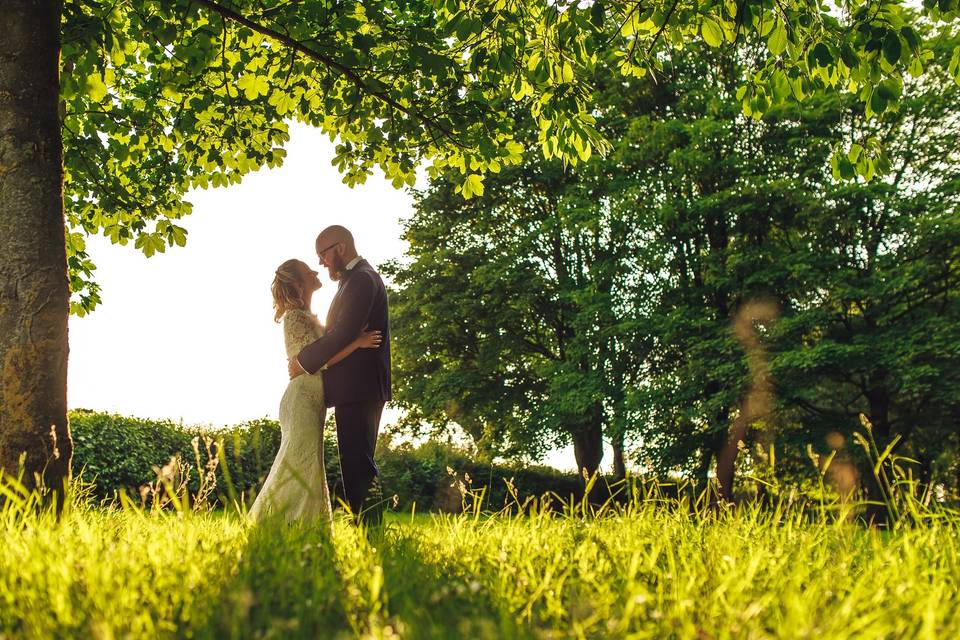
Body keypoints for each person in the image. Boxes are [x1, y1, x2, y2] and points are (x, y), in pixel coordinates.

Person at [250, 258, 381, 522]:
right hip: (301, 399)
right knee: (301, 462)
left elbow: (326, 348)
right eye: (308, 271)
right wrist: (358, 343)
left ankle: (297, 522)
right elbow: (318, 359)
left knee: (308, 462)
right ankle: (281, 522)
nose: (315, 271)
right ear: (299, 285)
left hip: (313, 399)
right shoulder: (295, 317)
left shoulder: (310, 317)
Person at [288, 225, 391, 526]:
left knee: (358, 464)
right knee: (355, 462)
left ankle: (370, 534)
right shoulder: (357, 279)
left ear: (341, 248)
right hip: (357, 386)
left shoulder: (361, 279)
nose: (321, 262)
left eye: (323, 253)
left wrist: (303, 360)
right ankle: (368, 531)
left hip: (360, 386)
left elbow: (344, 332)